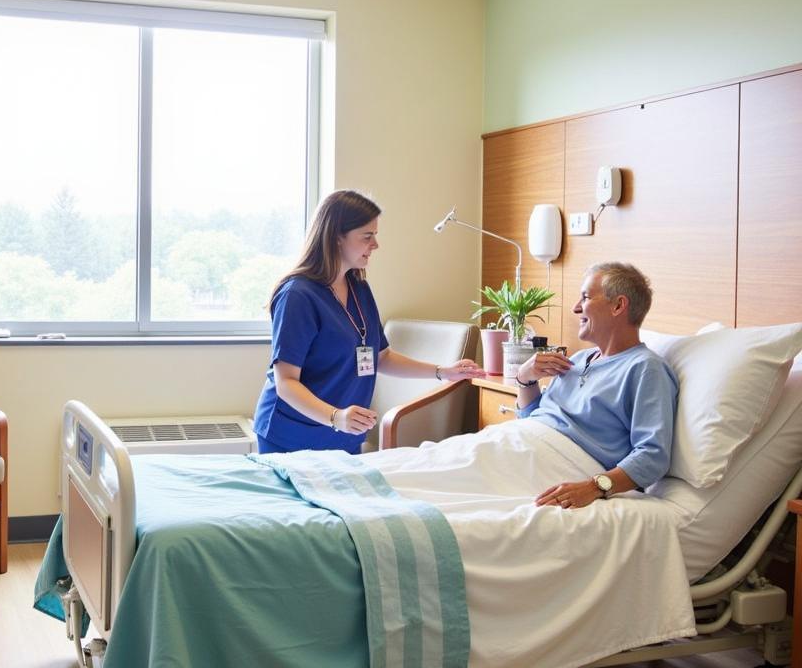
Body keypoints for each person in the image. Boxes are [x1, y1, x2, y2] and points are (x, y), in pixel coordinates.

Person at [253, 190, 484, 454]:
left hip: (344, 436)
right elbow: (286, 383)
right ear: (336, 237)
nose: (376, 244)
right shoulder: (298, 295)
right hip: (292, 435)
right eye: (367, 236)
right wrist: (335, 417)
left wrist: (443, 371)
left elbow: (381, 357)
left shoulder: (358, 287)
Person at [514, 261, 678, 509]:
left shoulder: (645, 368)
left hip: (563, 463)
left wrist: (594, 487)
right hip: (521, 445)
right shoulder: (577, 360)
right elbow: (532, 417)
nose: (575, 308)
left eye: (585, 297)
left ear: (618, 306)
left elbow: (652, 456)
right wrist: (524, 377)